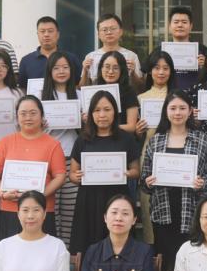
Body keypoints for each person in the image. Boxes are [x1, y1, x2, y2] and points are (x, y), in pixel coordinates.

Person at [142, 90, 207, 271]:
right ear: (166, 111)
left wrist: (201, 183)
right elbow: (144, 180)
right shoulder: (156, 140)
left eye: (182, 108)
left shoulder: (200, 139)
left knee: (192, 262)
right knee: (167, 264)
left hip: (191, 212)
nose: (177, 113)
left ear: (190, 111)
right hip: (164, 212)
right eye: (173, 108)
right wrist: (149, 182)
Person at [69, 91, 141, 255]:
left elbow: (136, 171)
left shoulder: (126, 138)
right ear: (91, 114)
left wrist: (127, 173)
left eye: (107, 109)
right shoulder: (83, 139)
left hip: (117, 198)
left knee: (118, 244)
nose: (102, 115)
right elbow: (72, 174)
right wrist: (77, 177)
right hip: (89, 200)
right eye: (97, 110)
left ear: (115, 112)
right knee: (87, 244)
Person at [0, 96, 67, 240]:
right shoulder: (5, 143)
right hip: (11, 208)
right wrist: (2, 194)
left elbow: (60, 176)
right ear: (17, 117)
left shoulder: (53, 144)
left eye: (33, 113)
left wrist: (41, 195)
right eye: (23, 113)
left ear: (42, 116)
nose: (28, 117)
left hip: (41, 209)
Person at [41, 51, 81, 247]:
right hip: (47, 159)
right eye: (56, 68)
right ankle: (50, 249)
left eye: (65, 67)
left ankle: (67, 252)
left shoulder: (80, 95)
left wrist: (83, 120)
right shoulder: (40, 96)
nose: (61, 71)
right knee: (50, 207)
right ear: (50, 71)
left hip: (71, 158)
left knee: (70, 209)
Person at [136, 50, 175, 246]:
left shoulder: (177, 97)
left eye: (165, 68)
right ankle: (151, 252)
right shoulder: (140, 98)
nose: (161, 72)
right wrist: (137, 132)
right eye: (156, 68)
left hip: (175, 155)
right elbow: (136, 138)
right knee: (148, 204)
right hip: (148, 155)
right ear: (150, 71)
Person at [81, 13, 144, 90]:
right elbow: (82, 88)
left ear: (121, 31)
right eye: (104, 30)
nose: (109, 32)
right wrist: (85, 71)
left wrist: (133, 73)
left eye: (113, 28)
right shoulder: (91, 57)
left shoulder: (131, 56)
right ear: (98, 34)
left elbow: (140, 88)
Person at [17, 15, 80, 90]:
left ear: (58, 34)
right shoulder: (26, 61)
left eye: (50, 31)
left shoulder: (71, 58)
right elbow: (23, 89)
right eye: (42, 31)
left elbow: (78, 85)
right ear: (37, 34)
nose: (46, 34)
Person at [90, 50, 140, 135]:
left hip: (121, 138)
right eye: (107, 67)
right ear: (101, 68)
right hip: (97, 138)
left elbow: (131, 127)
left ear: (122, 70)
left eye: (116, 68)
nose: (110, 71)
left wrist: (107, 127)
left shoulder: (129, 92)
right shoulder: (93, 90)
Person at [168, 6, 204, 91]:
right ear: (169, 26)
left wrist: (205, 66)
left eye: (184, 22)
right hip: (169, 96)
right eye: (176, 22)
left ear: (191, 26)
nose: (180, 25)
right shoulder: (160, 51)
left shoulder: (203, 50)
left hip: (195, 95)